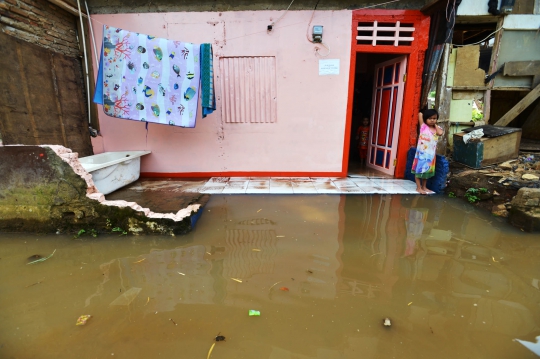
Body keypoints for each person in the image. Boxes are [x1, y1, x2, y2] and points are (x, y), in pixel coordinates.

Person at [411, 109, 443, 194]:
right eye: (430, 118)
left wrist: (435, 124)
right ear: (425, 119)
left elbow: (440, 133)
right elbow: (420, 114)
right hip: (421, 154)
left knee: (427, 172)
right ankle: (418, 188)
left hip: (431, 155)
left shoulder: (437, 129)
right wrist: (425, 110)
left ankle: (424, 187)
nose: (432, 120)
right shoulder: (423, 127)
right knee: (419, 171)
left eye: (434, 118)